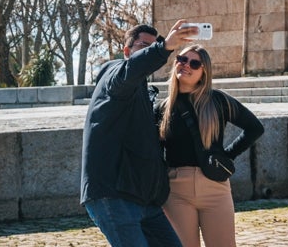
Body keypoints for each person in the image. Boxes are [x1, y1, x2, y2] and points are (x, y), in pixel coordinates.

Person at [80, 20, 198, 247]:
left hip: (144, 197)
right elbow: (129, 71)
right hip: (114, 195)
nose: (149, 51)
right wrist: (163, 47)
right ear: (127, 51)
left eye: (152, 46)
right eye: (143, 47)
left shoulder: (143, 91)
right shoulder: (114, 75)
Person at [157, 44, 265, 247]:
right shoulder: (162, 108)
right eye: (181, 59)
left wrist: (228, 156)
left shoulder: (218, 101)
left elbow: (255, 128)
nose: (186, 65)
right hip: (176, 190)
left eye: (194, 63)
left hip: (215, 187)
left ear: (203, 72)